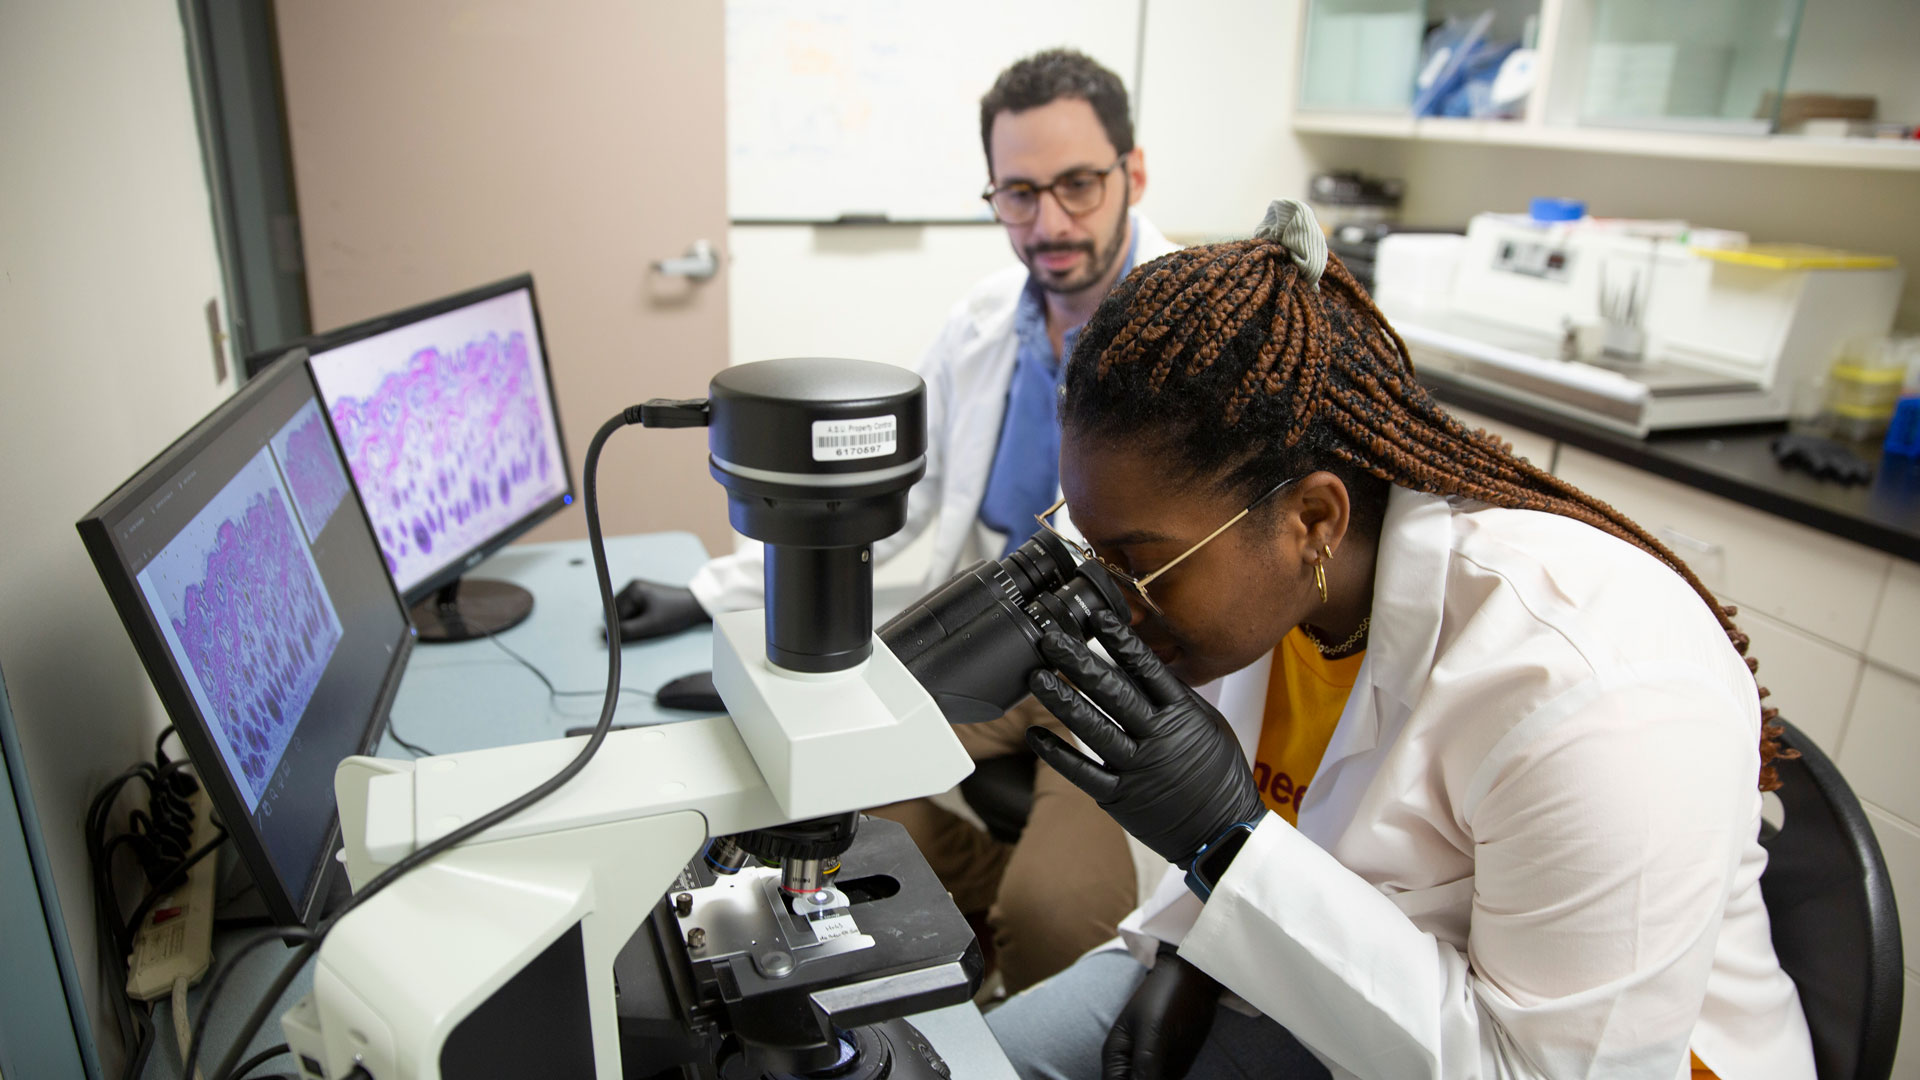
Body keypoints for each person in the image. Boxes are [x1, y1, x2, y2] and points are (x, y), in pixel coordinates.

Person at [984, 199, 1814, 1080]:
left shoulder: (1590, 685)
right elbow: (1310, 861)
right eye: (1093, 548)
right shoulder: (1273, 590)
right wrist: (1191, 949)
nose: (1118, 603)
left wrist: (1225, 840)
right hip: (1337, 990)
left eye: (1138, 565)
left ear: (1312, 520)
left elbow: (1537, 1069)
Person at [613, 49, 1182, 993]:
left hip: (1128, 665)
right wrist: (711, 589)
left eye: (1078, 185)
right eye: (1017, 193)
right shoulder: (982, 322)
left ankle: (1031, 928)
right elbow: (879, 500)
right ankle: (985, 915)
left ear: (1135, 173)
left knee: (1053, 916)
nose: (1049, 223)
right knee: (828, 788)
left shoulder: (1193, 326)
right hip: (1004, 632)